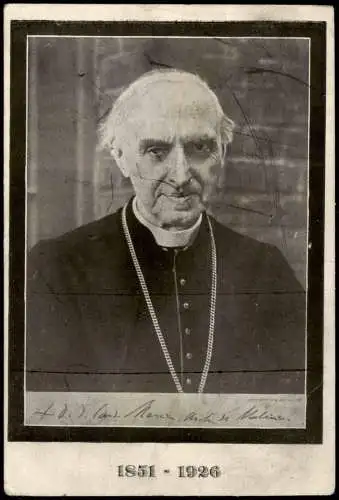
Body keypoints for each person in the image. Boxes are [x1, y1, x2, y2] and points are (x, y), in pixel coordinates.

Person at [26, 69, 306, 394]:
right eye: (157, 152)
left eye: (199, 147)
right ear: (121, 157)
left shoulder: (266, 270)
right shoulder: (58, 268)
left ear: (222, 154)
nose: (181, 174)